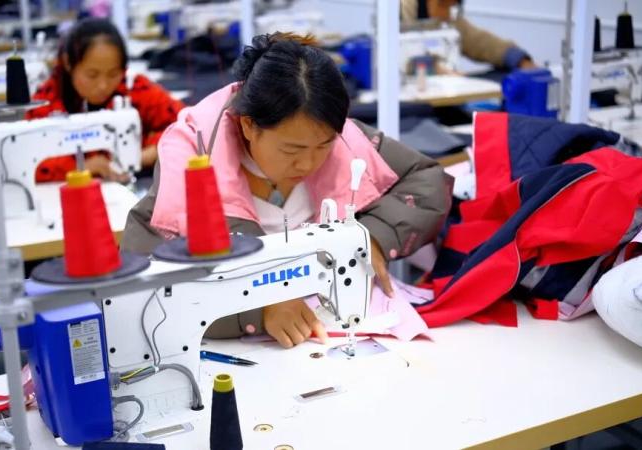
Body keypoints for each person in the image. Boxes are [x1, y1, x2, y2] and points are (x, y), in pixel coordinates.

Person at [122, 33, 452, 348]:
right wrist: (256, 309)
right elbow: (145, 288)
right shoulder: (192, 164)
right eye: (291, 150)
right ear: (248, 125)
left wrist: (374, 237)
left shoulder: (344, 140)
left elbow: (426, 180)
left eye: (323, 146)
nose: (308, 163)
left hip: (328, 331)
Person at [27, 18, 184, 183]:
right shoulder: (45, 103)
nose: (103, 85)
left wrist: (148, 154)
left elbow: (188, 125)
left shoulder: (135, 88)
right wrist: (80, 167)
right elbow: (27, 159)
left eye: (113, 74)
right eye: (92, 75)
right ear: (68, 63)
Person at [401, 0, 536, 72]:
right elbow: (400, 61)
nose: (447, 13)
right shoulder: (398, 14)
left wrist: (517, 58)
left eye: (452, 5)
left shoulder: (449, 20)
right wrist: (434, 69)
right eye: (443, 5)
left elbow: (480, 42)